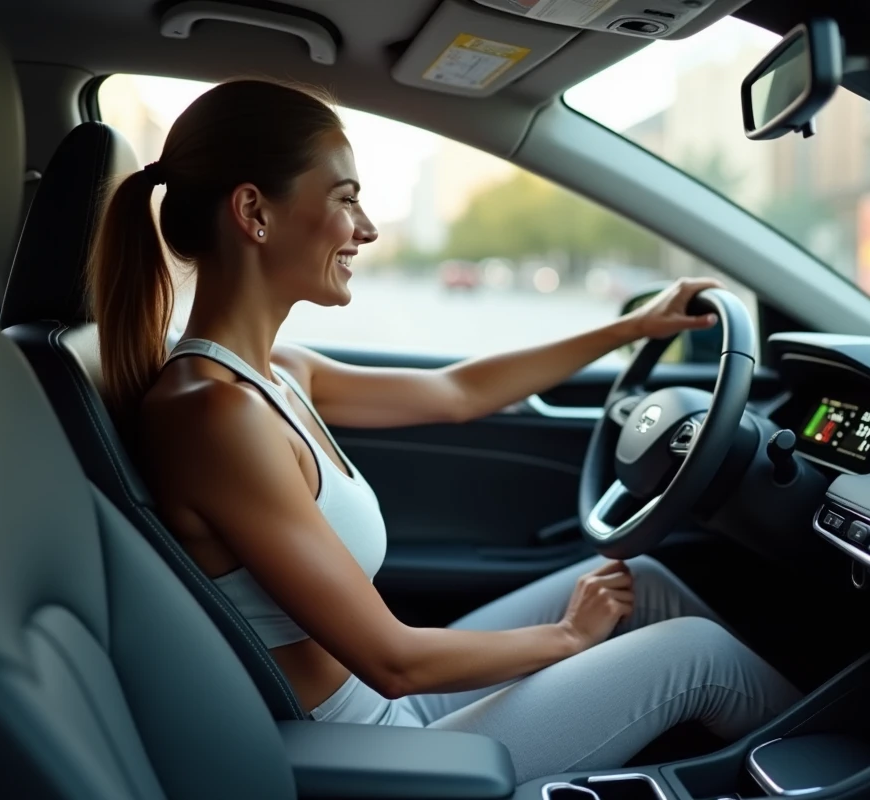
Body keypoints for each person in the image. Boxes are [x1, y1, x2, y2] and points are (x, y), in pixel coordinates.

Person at [87, 79, 799, 783]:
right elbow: (396, 662)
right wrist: (569, 637)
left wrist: (633, 327)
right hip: (369, 746)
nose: (365, 228)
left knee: (641, 584)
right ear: (254, 211)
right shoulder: (216, 414)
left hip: (383, 704)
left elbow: (458, 391)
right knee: (697, 653)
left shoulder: (275, 373)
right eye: (345, 199)